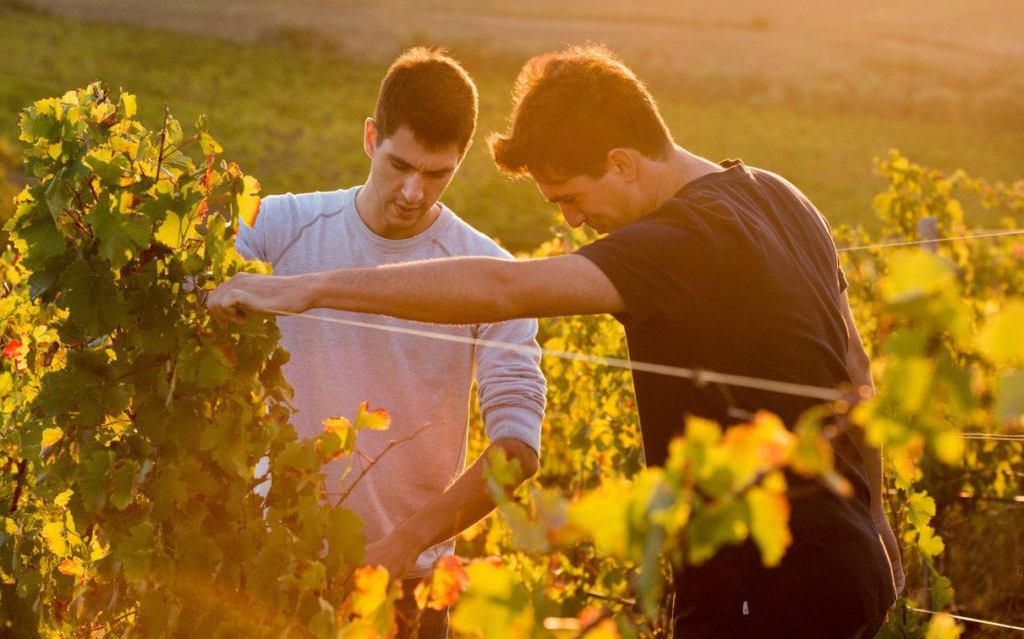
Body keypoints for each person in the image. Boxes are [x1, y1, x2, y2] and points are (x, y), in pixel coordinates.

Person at [211, 45, 904, 638]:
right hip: (849, 564)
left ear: (623, 163)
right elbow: (856, 373)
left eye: (569, 197)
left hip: (763, 586)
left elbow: (504, 289)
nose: (572, 221)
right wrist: (871, 519)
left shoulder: (682, 242)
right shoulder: (780, 195)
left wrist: (308, 289)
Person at [232, 47, 546, 639]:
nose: (412, 192)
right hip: (270, 567)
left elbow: (519, 450)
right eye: (399, 165)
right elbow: (185, 300)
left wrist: (404, 545)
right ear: (370, 137)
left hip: (408, 586)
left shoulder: (491, 276)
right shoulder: (277, 227)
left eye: (437, 174)